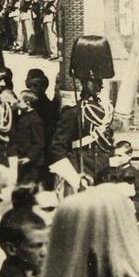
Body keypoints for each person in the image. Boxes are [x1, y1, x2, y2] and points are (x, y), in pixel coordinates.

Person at [47, 36, 115, 193]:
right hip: (80, 171)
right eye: (94, 81)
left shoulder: (104, 110)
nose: (99, 85)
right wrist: (74, 178)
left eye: (100, 80)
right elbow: (57, 148)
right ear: (84, 82)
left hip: (102, 173)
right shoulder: (73, 113)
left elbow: (107, 143)